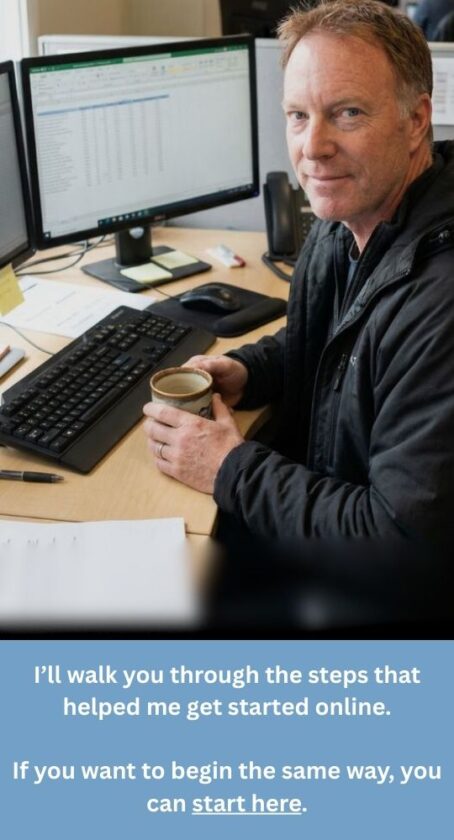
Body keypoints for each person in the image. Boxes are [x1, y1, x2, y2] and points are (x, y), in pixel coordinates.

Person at [143, 0, 454, 628]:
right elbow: (347, 344)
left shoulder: (441, 298)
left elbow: (400, 546)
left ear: (416, 120)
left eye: (348, 113)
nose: (313, 147)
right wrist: (253, 369)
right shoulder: (351, 219)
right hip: (321, 534)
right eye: (297, 115)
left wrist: (230, 468)